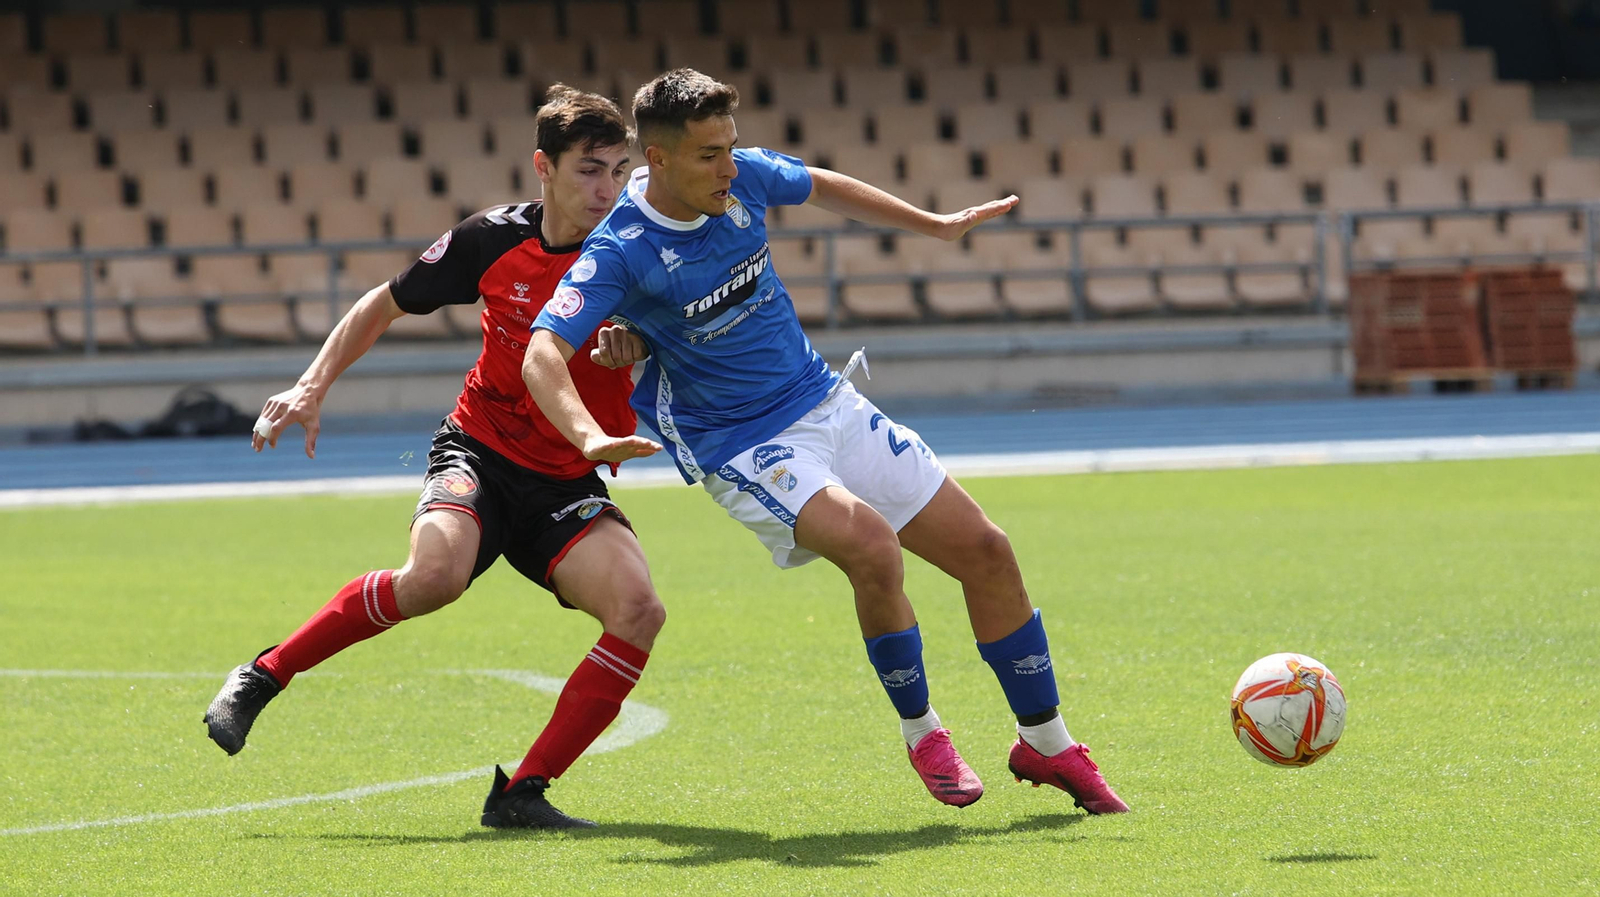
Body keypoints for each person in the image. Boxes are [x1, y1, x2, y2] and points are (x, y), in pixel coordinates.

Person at [520, 69, 1128, 814]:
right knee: (871, 545)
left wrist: (930, 224)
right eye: (710, 154)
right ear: (662, 157)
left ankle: (1049, 742)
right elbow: (542, 350)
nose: (731, 167)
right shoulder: (622, 248)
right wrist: (587, 433)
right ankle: (923, 732)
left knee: (988, 551)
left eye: (732, 147)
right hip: (740, 444)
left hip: (824, 398)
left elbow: (820, 183)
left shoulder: (739, 182)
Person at [204, 85, 665, 830]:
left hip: (564, 481)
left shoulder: (640, 253)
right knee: (434, 577)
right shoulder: (489, 240)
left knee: (639, 609)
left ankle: (522, 792)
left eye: (619, 169)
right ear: (542, 167)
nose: (607, 189)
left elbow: (683, 337)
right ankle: (263, 674)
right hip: (479, 449)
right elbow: (383, 303)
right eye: (589, 170)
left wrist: (641, 343)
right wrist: (310, 384)